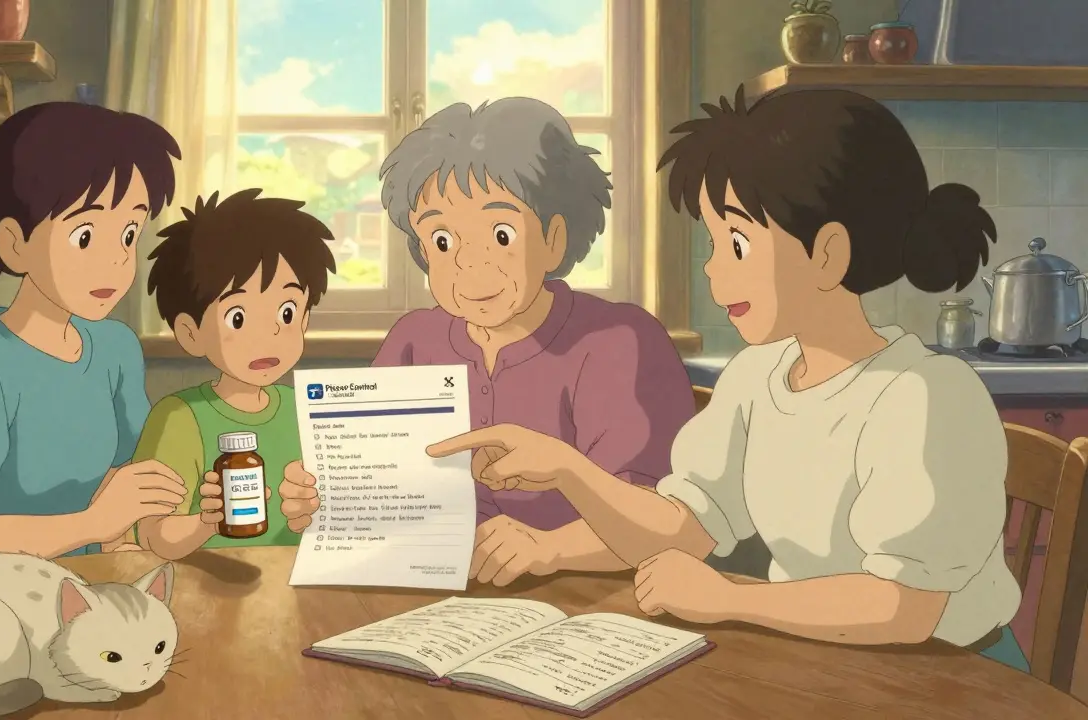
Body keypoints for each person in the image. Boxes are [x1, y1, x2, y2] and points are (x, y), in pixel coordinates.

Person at [422, 86, 1029, 671]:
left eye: (736, 243)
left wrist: (730, 599)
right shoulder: (756, 377)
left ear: (827, 253)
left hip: (952, 674)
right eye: (713, 242)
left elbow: (904, 608)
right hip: (819, 656)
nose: (713, 268)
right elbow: (683, 528)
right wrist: (569, 470)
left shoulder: (925, 396)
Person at [277, 97, 695, 587]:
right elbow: (379, 489)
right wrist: (324, 498)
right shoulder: (413, 341)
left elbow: (666, 521)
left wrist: (551, 548)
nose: (470, 265)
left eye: (501, 234)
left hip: (589, 598)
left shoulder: (619, 342)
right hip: (438, 593)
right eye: (443, 241)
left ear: (554, 238)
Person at [0, 102, 187, 580]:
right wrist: (94, 523)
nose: (115, 259)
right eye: (85, 235)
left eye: (129, 233)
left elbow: (119, 489)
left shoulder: (116, 349)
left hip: (68, 595)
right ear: (15, 243)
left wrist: (124, 541)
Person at [130, 189, 336, 558]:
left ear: (304, 318)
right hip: (208, 583)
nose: (267, 335)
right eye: (237, 317)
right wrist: (206, 522)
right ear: (191, 333)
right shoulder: (178, 418)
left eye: (286, 312)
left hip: (293, 578)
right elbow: (152, 535)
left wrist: (313, 510)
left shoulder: (304, 409)